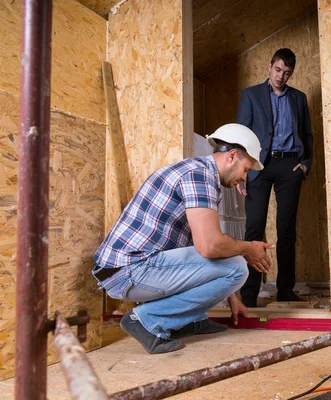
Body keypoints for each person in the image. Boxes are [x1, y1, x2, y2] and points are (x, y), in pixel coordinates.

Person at [92, 123, 274, 354]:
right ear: (232, 156)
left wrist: (231, 298)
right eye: (246, 170)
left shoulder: (199, 174)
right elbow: (210, 247)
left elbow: (200, 252)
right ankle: (146, 320)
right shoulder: (199, 176)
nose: (243, 179)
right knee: (237, 267)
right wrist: (248, 248)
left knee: (231, 265)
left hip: (129, 269)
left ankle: (188, 320)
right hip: (130, 271)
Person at [236, 48, 313, 307]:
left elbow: (308, 135)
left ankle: (286, 290)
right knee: (254, 228)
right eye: (278, 70)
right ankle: (249, 294)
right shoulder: (251, 95)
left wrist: (305, 164)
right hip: (259, 165)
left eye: (287, 73)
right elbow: (241, 136)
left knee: (286, 230)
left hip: (290, 166)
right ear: (269, 66)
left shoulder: (298, 98)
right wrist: (240, 172)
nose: (281, 76)